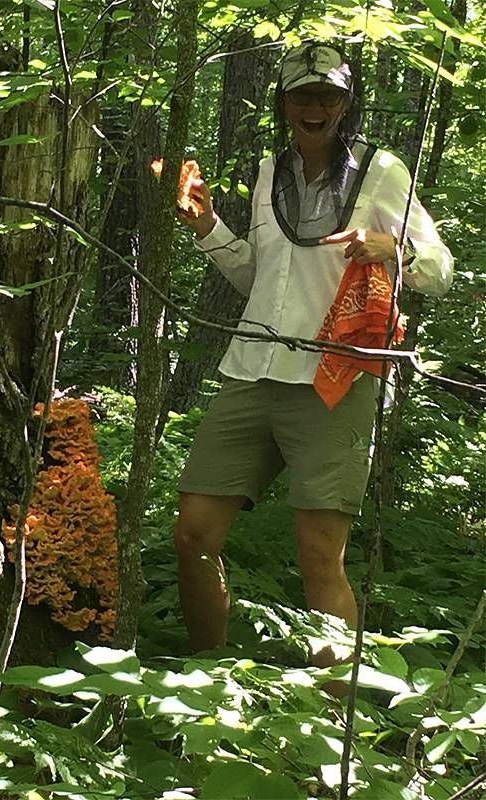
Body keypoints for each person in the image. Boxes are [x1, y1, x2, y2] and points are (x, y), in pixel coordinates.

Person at [174, 41, 453, 661]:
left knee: (320, 557)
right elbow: (260, 280)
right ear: (283, 102)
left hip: (334, 382)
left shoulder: (382, 172)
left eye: (327, 95)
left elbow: (439, 267)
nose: (315, 107)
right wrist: (206, 227)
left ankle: (331, 723)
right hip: (251, 370)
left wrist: (393, 248)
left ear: (346, 102)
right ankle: (204, 678)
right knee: (192, 534)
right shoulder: (270, 173)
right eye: (302, 95)